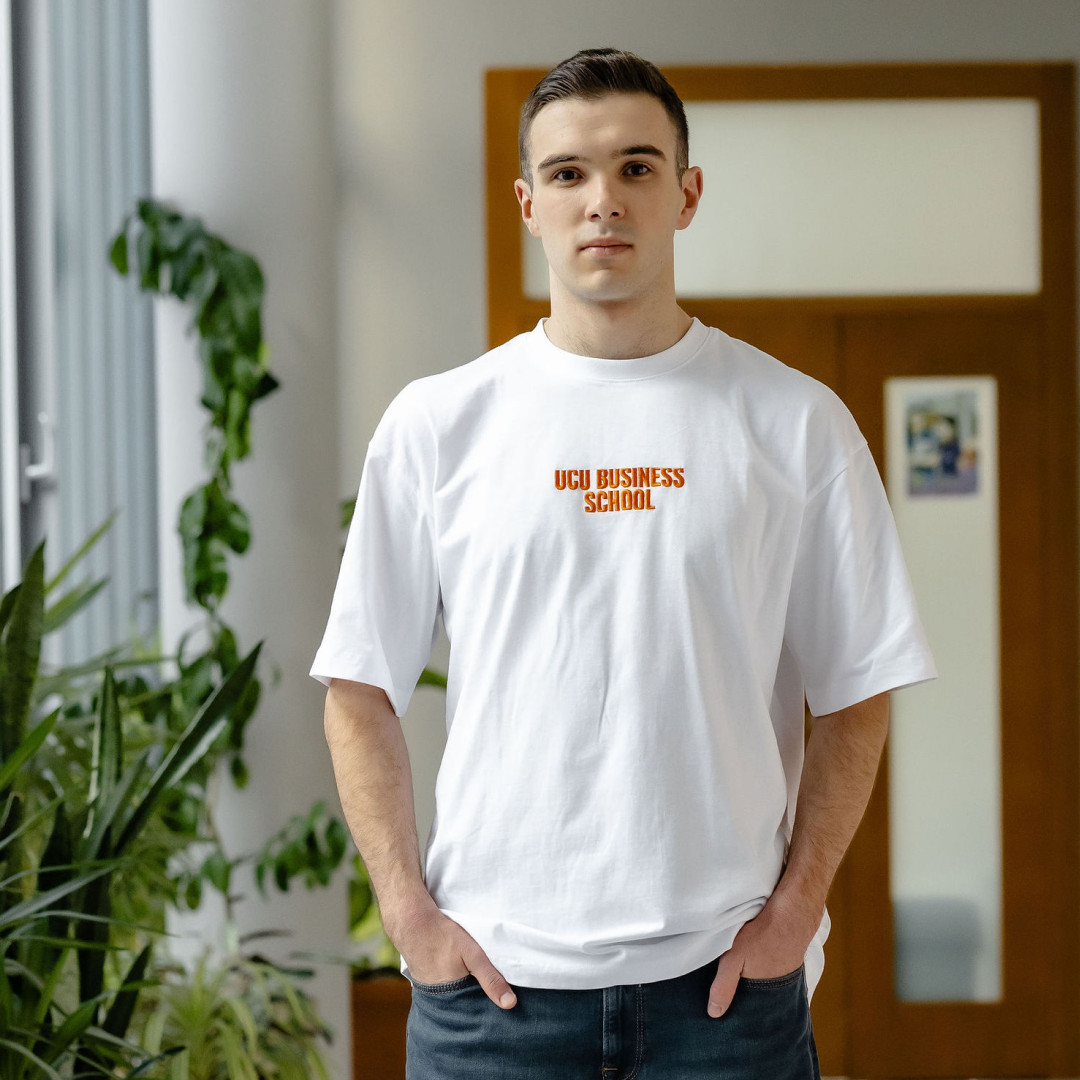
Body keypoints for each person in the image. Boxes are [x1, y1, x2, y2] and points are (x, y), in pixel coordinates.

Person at [310, 46, 938, 1079]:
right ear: (529, 204)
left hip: (724, 999)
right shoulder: (438, 426)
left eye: (636, 167)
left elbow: (859, 690)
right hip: (491, 1002)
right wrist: (408, 913)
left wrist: (796, 912)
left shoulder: (796, 424)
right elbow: (356, 687)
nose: (602, 199)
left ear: (687, 195)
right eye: (568, 172)